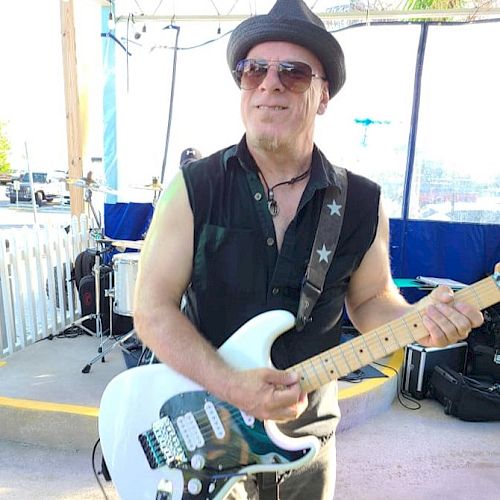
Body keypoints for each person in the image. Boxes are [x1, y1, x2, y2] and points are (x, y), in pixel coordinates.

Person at [133, 1, 483, 498]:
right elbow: (150, 308)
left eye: (293, 73)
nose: (269, 83)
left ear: (323, 96)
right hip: (204, 430)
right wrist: (233, 386)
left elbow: (368, 303)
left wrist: (418, 321)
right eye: (254, 70)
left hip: (307, 442)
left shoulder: (361, 201)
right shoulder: (194, 187)